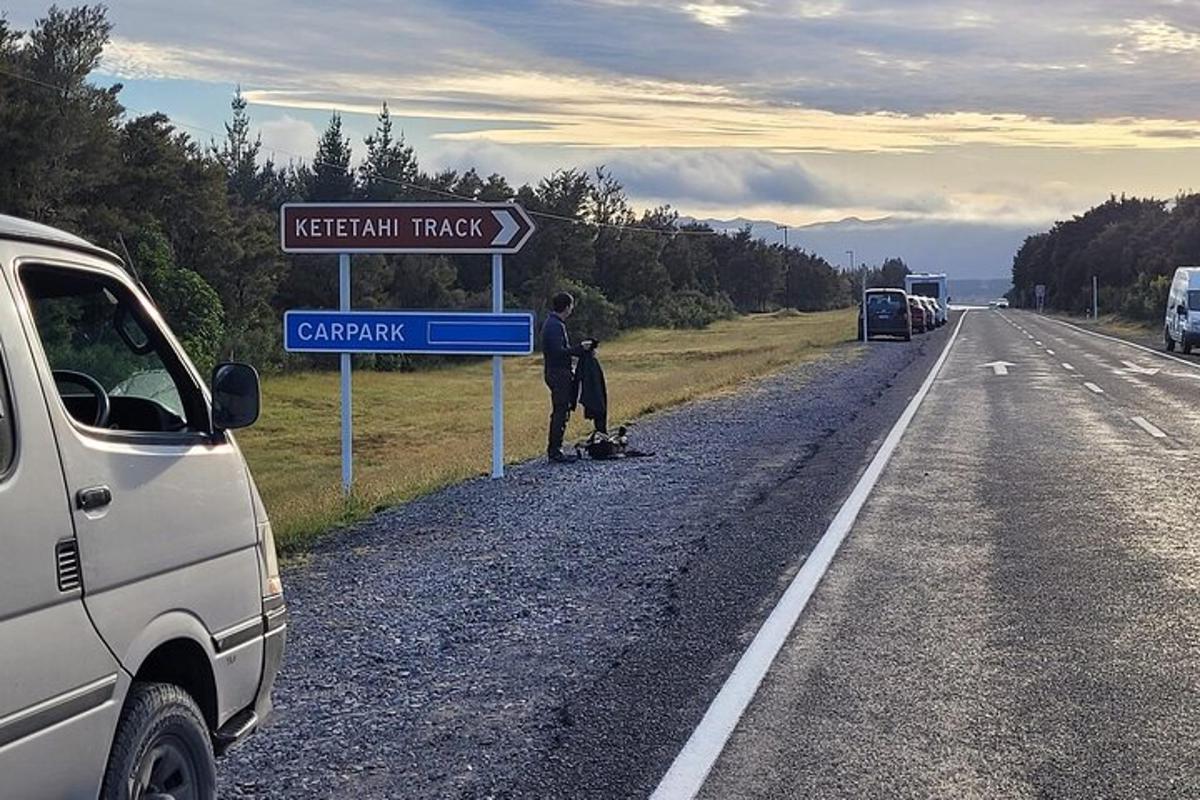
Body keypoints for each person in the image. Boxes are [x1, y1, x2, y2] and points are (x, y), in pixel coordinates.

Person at [543, 291, 595, 462]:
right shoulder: (555, 326)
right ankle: (555, 451)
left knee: (562, 411)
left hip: (557, 372)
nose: (572, 309)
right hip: (558, 373)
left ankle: (556, 448)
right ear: (567, 306)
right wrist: (580, 349)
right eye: (571, 306)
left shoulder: (554, 323)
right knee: (560, 411)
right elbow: (558, 352)